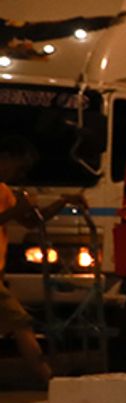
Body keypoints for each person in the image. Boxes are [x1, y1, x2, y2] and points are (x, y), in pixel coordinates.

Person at [0, 136, 53, 383]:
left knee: (21, 324)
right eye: (19, 166)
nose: (20, 174)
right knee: (21, 322)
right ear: (6, 157)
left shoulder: (4, 191)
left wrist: (62, 203)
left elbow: (31, 221)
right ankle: (48, 382)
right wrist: (16, 209)